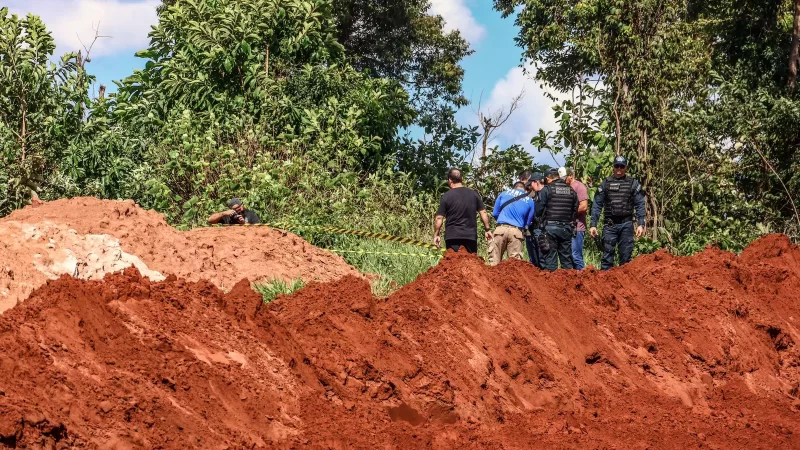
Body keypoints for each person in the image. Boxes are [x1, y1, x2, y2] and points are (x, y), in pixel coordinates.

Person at [589, 155, 646, 270]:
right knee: (607, 258)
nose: (619, 169)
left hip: (626, 225)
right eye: (617, 166)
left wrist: (641, 224)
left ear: (626, 168)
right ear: (613, 167)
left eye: (622, 166)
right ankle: (605, 286)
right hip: (610, 225)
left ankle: (625, 286)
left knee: (626, 259)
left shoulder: (633, 183)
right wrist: (593, 224)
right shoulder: (605, 183)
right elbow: (597, 205)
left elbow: (640, 204)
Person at [434, 168, 492, 253]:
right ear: (462, 179)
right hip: (470, 236)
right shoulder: (474, 194)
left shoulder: (446, 196)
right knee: (471, 264)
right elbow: (483, 212)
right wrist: (487, 230)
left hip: (452, 236)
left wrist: (436, 235)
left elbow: (439, 218)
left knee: (454, 263)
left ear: (450, 180)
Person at [488, 171, 536, 265]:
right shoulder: (530, 200)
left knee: (494, 262)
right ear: (524, 189)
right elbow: (528, 221)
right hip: (516, 232)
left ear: (514, 187)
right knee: (515, 265)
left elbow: (495, 213)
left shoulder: (504, 193)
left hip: (500, 229)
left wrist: (503, 221)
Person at [535, 169, 578, 271]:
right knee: (567, 261)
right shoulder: (571, 190)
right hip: (566, 229)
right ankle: (570, 284)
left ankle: (552, 286)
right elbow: (574, 210)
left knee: (550, 262)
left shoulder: (546, 190)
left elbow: (538, 210)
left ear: (547, 178)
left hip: (550, 229)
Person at [565, 168, 589, 270]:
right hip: (566, 226)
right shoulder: (564, 187)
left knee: (576, 255)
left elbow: (584, 206)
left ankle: (582, 278)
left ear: (570, 175)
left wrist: (568, 212)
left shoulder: (579, 186)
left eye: (565, 177)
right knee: (567, 256)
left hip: (577, 227)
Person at [524, 172, 547, 268]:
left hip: (542, 228)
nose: (530, 187)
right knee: (535, 257)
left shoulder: (545, 192)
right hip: (535, 228)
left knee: (542, 256)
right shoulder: (536, 194)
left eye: (531, 184)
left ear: (536, 182)